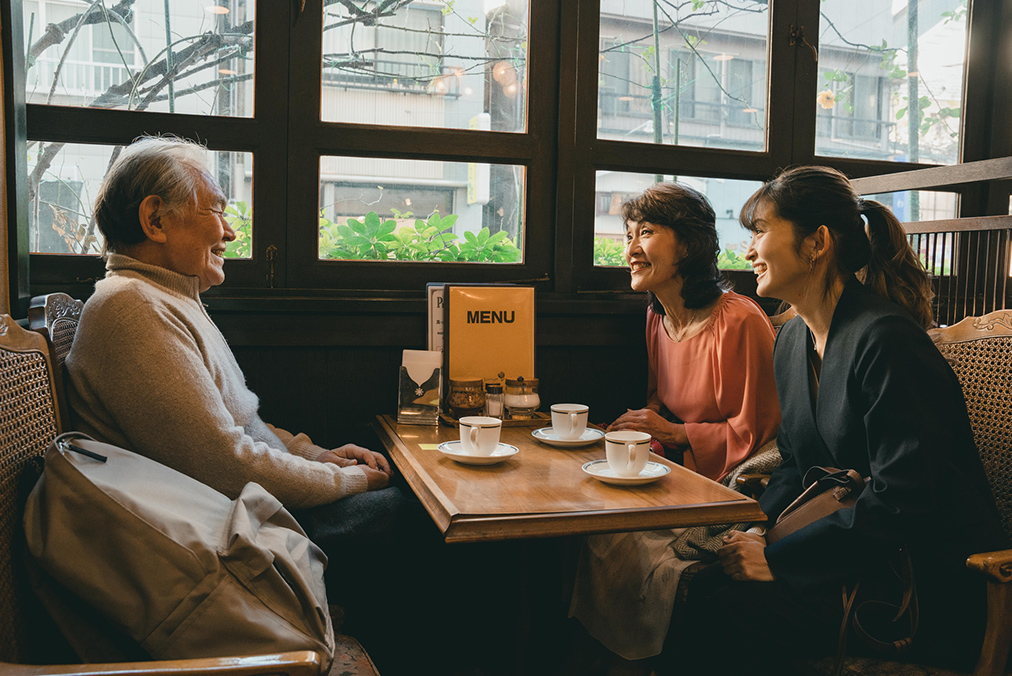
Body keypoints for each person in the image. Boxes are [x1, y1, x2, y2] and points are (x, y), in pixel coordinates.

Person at [65, 136, 426, 664]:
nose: (230, 231)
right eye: (216, 210)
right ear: (155, 220)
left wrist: (317, 456)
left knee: (405, 502)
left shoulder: (168, 298)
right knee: (411, 513)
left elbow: (244, 424)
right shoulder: (129, 308)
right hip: (226, 539)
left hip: (241, 512)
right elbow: (224, 463)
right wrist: (347, 480)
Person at [666, 166, 1009, 674]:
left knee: (728, 614)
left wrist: (781, 561)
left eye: (760, 232)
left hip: (917, 581)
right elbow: (794, 467)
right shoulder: (791, 342)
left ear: (816, 243)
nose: (748, 251)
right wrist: (763, 535)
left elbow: (905, 500)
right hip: (852, 554)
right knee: (697, 583)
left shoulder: (887, 340)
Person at [569, 182, 781, 669]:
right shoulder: (656, 319)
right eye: (627, 235)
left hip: (727, 485)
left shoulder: (739, 320)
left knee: (614, 537)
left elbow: (760, 435)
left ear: (688, 244)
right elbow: (658, 408)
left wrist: (673, 434)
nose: (631, 249)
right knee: (586, 526)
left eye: (646, 232)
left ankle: (641, 658)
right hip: (672, 475)